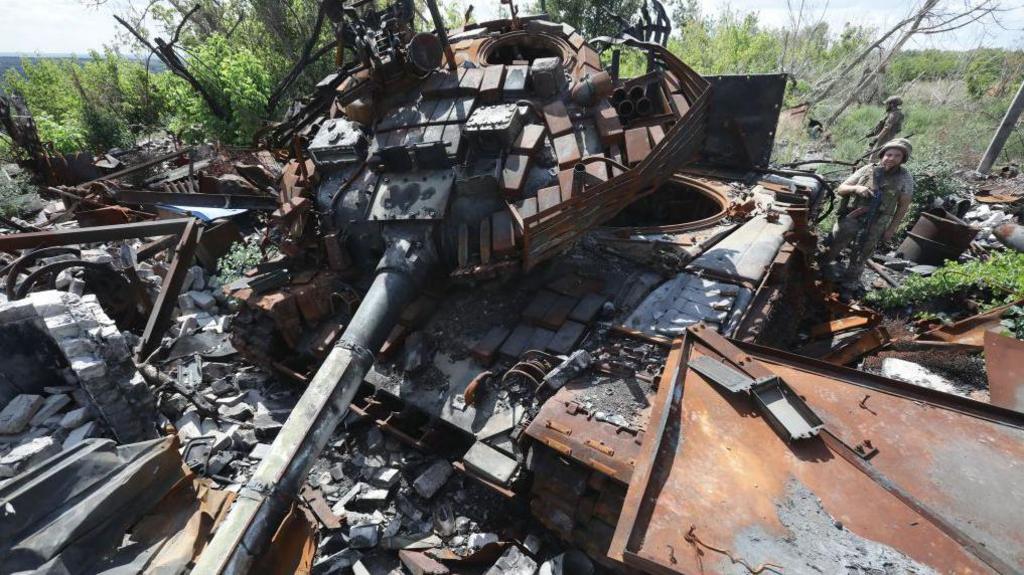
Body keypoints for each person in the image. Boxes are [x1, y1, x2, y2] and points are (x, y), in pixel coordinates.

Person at [825, 138, 914, 296]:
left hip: (878, 221)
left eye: (897, 156)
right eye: (889, 154)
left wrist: (891, 229)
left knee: (862, 252)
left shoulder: (905, 178)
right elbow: (841, 188)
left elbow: (903, 207)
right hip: (853, 215)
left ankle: (849, 283)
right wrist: (857, 188)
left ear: (903, 159)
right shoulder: (867, 169)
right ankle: (822, 269)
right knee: (835, 242)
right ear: (882, 155)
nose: (891, 158)